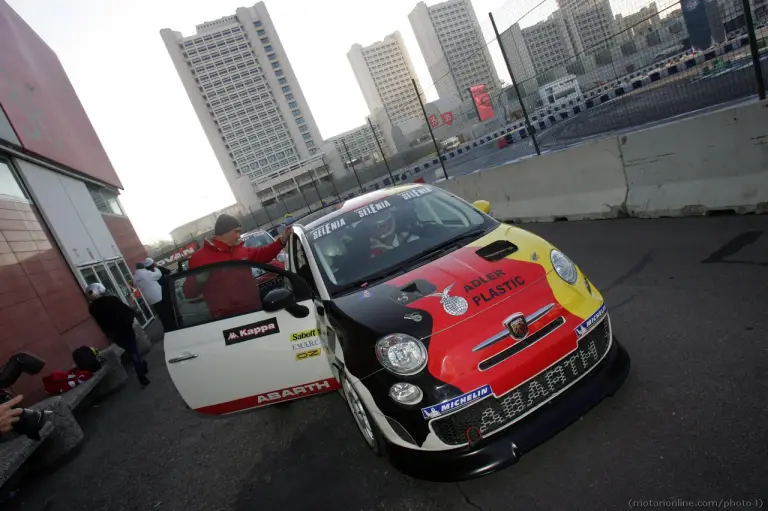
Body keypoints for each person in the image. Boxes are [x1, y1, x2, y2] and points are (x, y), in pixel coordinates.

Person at [183, 214, 290, 319]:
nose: (239, 235)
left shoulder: (240, 250)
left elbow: (262, 254)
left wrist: (281, 241)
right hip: (225, 320)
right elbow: (189, 293)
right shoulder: (199, 258)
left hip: (254, 311)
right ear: (225, 232)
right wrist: (198, 280)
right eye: (237, 231)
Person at [86, 283, 150, 386]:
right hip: (125, 330)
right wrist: (133, 309)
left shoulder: (92, 308)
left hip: (113, 334)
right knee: (134, 352)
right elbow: (126, 311)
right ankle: (141, 375)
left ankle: (142, 366)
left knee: (131, 350)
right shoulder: (112, 300)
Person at [140, 258, 174, 330]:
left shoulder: (145, 276)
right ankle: (173, 326)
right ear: (153, 264)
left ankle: (167, 329)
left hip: (156, 299)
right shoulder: (159, 270)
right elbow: (169, 273)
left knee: (162, 316)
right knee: (170, 312)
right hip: (165, 295)